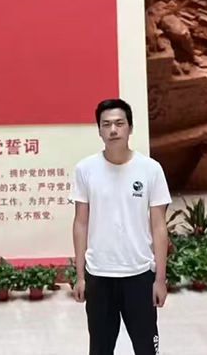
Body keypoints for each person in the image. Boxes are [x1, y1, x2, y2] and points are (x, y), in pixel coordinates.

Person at [70, 98, 172, 355]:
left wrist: (160, 279)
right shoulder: (85, 169)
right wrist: (80, 276)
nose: (113, 130)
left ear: (130, 128)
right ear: (99, 131)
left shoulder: (150, 169)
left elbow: (159, 227)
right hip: (99, 274)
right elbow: (80, 222)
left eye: (119, 123)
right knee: (100, 349)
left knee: (147, 348)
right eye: (106, 125)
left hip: (139, 274)